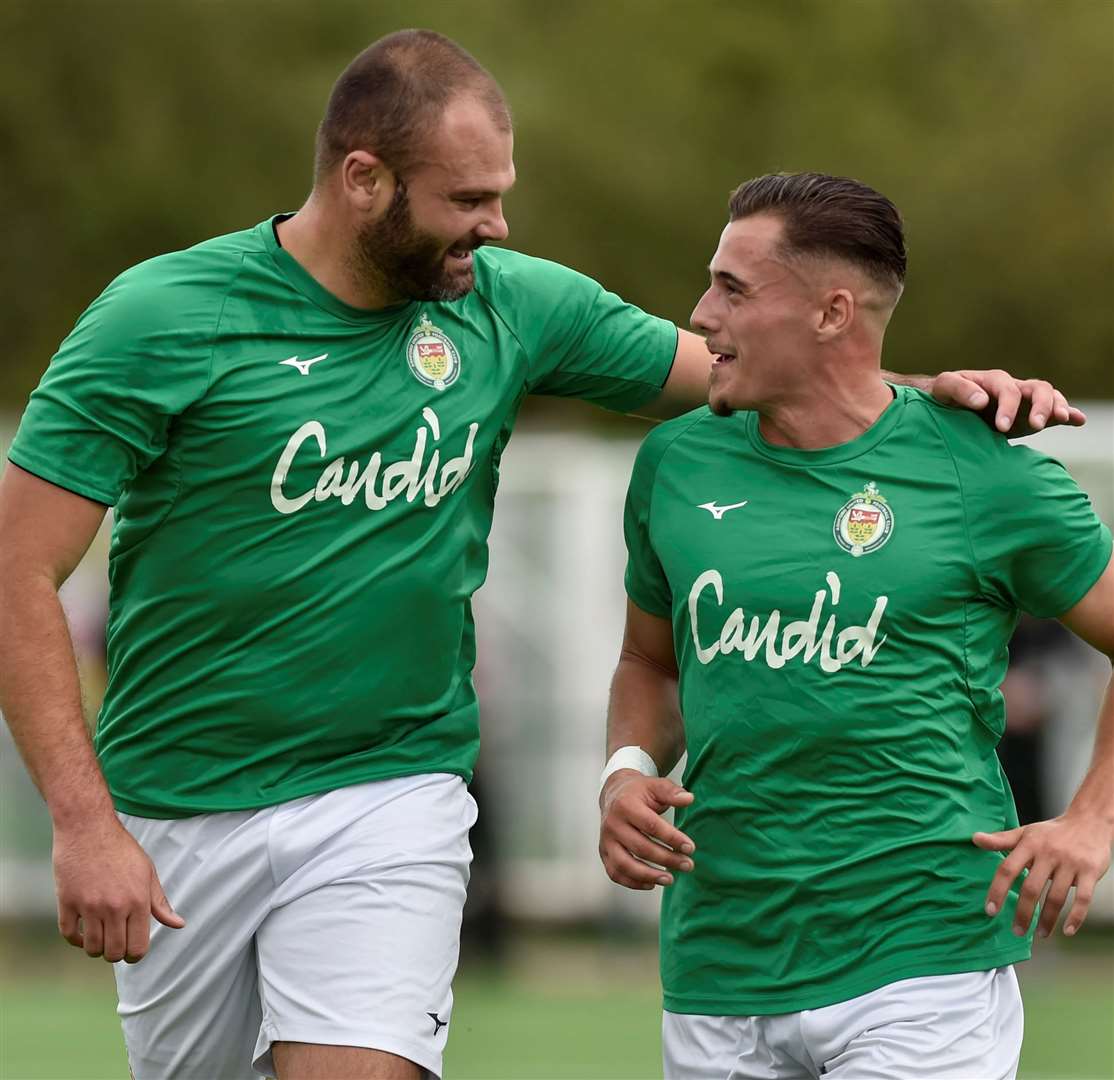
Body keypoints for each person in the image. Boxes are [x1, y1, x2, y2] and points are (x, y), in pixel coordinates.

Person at [0, 28, 1082, 1080]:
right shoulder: (160, 320)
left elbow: (758, 366)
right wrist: (85, 827)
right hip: (180, 803)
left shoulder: (512, 307)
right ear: (364, 180)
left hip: (390, 788)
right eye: (468, 202)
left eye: (500, 192)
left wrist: (935, 396)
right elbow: (17, 570)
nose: (499, 226)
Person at [598, 172, 1114, 1080]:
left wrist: (1090, 821)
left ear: (833, 314)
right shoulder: (674, 463)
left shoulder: (983, 471)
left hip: (921, 963)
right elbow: (651, 662)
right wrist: (627, 772)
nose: (700, 314)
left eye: (733, 288)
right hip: (720, 964)